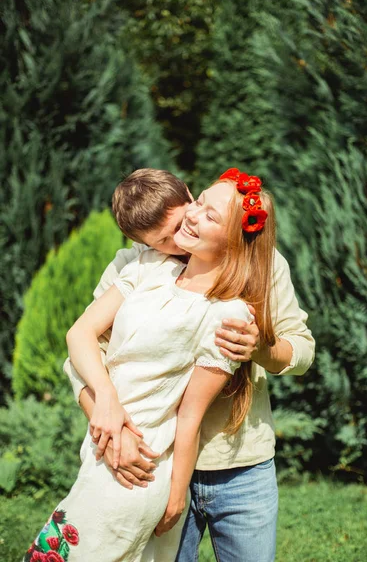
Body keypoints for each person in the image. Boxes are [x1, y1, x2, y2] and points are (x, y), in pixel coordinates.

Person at [24, 168, 292, 562]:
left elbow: (298, 350)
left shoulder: (248, 286)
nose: (177, 242)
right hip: (130, 455)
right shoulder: (145, 264)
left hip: (231, 461)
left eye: (191, 219)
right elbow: (81, 348)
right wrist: (109, 419)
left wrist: (260, 347)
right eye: (162, 241)